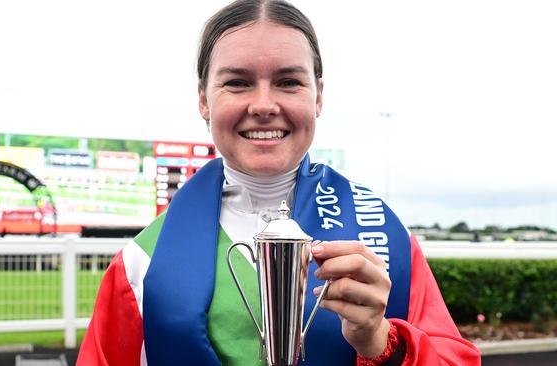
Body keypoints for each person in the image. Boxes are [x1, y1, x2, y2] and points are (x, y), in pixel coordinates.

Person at [77, 1, 481, 365]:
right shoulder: (139, 265)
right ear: (203, 98)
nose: (265, 106)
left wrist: (381, 342)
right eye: (237, 82)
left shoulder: (384, 238)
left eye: (289, 82)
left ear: (318, 96)